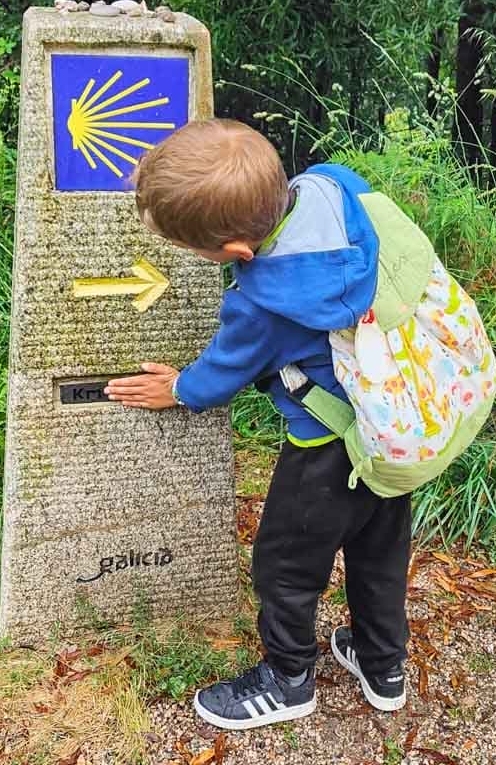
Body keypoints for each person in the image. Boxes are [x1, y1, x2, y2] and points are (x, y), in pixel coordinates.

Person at [104, 119, 410, 730]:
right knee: (379, 552)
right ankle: (384, 667)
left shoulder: (262, 301)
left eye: (196, 251)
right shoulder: (334, 187)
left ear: (237, 253)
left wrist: (178, 389)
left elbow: (225, 369)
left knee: (284, 565)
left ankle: (289, 679)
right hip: (395, 423)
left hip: (326, 447)